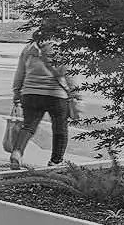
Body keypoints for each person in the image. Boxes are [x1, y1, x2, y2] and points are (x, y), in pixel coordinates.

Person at [10, 36, 79, 168]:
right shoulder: (61, 49)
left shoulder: (28, 49)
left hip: (30, 94)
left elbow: (20, 73)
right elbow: (68, 74)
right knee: (60, 128)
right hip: (56, 95)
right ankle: (56, 161)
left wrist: (17, 92)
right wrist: (75, 94)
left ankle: (17, 153)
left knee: (28, 126)